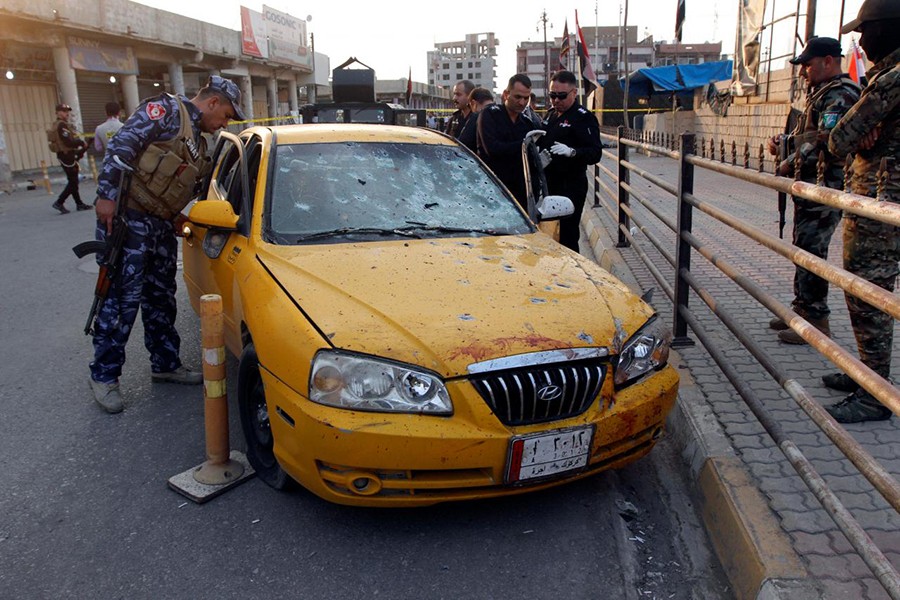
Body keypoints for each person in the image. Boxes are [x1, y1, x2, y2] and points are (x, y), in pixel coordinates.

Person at [88, 75, 245, 414]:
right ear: (213, 102)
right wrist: (105, 197)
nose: (225, 123)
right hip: (127, 220)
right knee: (121, 301)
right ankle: (104, 375)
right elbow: (121, 147)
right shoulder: (167, 112)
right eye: (227, 114)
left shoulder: (199, 142)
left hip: (157, 226)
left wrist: (175, 218)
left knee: (160, 297)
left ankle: (165, 363)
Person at [824, 0, 900, 423]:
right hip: (881, 202)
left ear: (887, 30)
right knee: (869, 293)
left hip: (880, 205)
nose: (861, 40)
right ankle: (869, 376)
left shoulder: (891, 81)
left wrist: (857, 131)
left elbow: (839, 139)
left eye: (865, 31)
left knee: (869, 295)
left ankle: (875, 395)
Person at [765, 37, 861, 344]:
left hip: (826, 185)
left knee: (811, 250)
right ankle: (802, 311)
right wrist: (783, 143)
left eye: (808, 64)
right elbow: (806, 134)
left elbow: (825, 138)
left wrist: (790, 160)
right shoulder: (820, 94)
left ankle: (816, 320)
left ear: (829, 61)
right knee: (802, 246)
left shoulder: (842, 95)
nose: (804, 72)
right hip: (810, 185)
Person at [540, 70, 603, 252]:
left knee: (567, 234)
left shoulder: (583, 118)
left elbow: (595, 153)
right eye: (553, 96)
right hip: (549, 183)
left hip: (571, 185)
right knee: (550, 232)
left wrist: (573, 152)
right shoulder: (551, 115)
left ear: (574, 93)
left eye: (561, 96)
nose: (556, 101)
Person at [477, 74, 537, 208]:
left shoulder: (527, 123)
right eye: (517, 97)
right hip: (493, 189)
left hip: (520, 193)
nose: (522, 102)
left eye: (526, 98)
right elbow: (493, 149)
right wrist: (524, 145)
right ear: (506, 94)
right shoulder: (490, 115)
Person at [50, 103, 91, 214]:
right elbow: (68, 142)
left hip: (66, 154)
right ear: (57, 112)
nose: (66, 113)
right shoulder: (61, 125)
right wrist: (81, 143)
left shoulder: (60, 124)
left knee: (73, 180)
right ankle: (59, 202)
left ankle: (79, 203)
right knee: (73, 181)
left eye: (67, 111)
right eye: (63, 111)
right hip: (66, 155)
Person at [458, 87, 494, 152]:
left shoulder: (477, 116)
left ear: (473, 103)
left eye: (470, 106)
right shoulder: (504, 114)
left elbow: (463, 144)